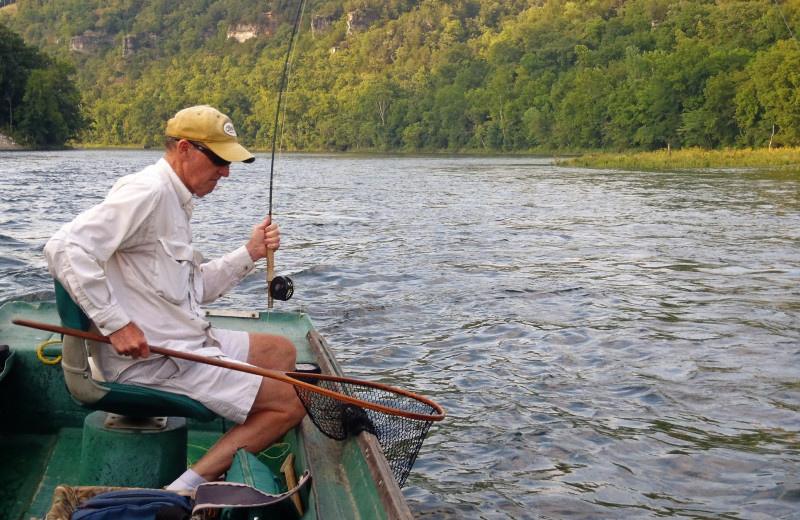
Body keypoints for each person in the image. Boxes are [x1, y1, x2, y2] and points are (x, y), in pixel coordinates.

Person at [44, 105, 306, 492]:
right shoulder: (149, 191)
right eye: (218, 159)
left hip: (185, 340)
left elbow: (192, 290)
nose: (226, 172)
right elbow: (64, 248)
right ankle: (184, 489)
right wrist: (117, 323)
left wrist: (249, 252)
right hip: (155, 360)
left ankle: (240, 433)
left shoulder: (177, 199)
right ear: (184, 148)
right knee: (292, 401)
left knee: (281, 352)